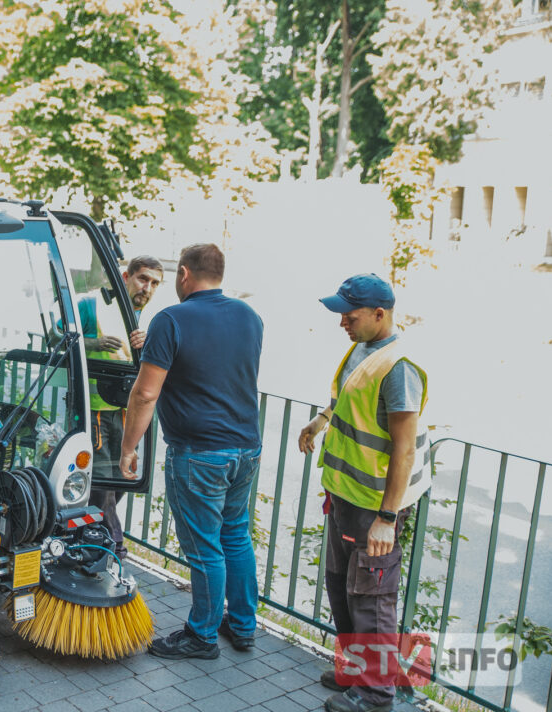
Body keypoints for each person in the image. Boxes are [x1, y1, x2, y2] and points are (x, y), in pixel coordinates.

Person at [119, 243, 263, 660]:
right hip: (245, 448)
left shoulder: (171, 319)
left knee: (203, 547)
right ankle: (242, 625)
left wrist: (129, 448)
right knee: (235, 536)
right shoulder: (250, 317)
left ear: (184, 274)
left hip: (200, 453)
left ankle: (200, 635)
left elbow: (145, 393)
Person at [297, 273, 430, 712]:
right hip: (345, 496)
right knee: (341, 586)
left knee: (372, 598)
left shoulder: (400, 369)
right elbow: (348, 401)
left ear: (380, 314)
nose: (342, 324)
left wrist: (387, 518)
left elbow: (404, 450)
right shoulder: (361, 349)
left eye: (348, 316)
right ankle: (354, 670)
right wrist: (319, 422)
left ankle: (375, 694)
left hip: (375, 507)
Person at [79, 255, 163, 560]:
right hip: (95, 409)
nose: (148, 288)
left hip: (129, 413)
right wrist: (94, 344)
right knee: (102, 483)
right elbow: (57, 339)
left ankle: (93, 533)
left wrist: (149, 343)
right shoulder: (90, 306)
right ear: (125, 276)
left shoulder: (147, 320)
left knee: (121, 479)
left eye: (155, 283)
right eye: (143, 279)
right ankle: (112, 545)